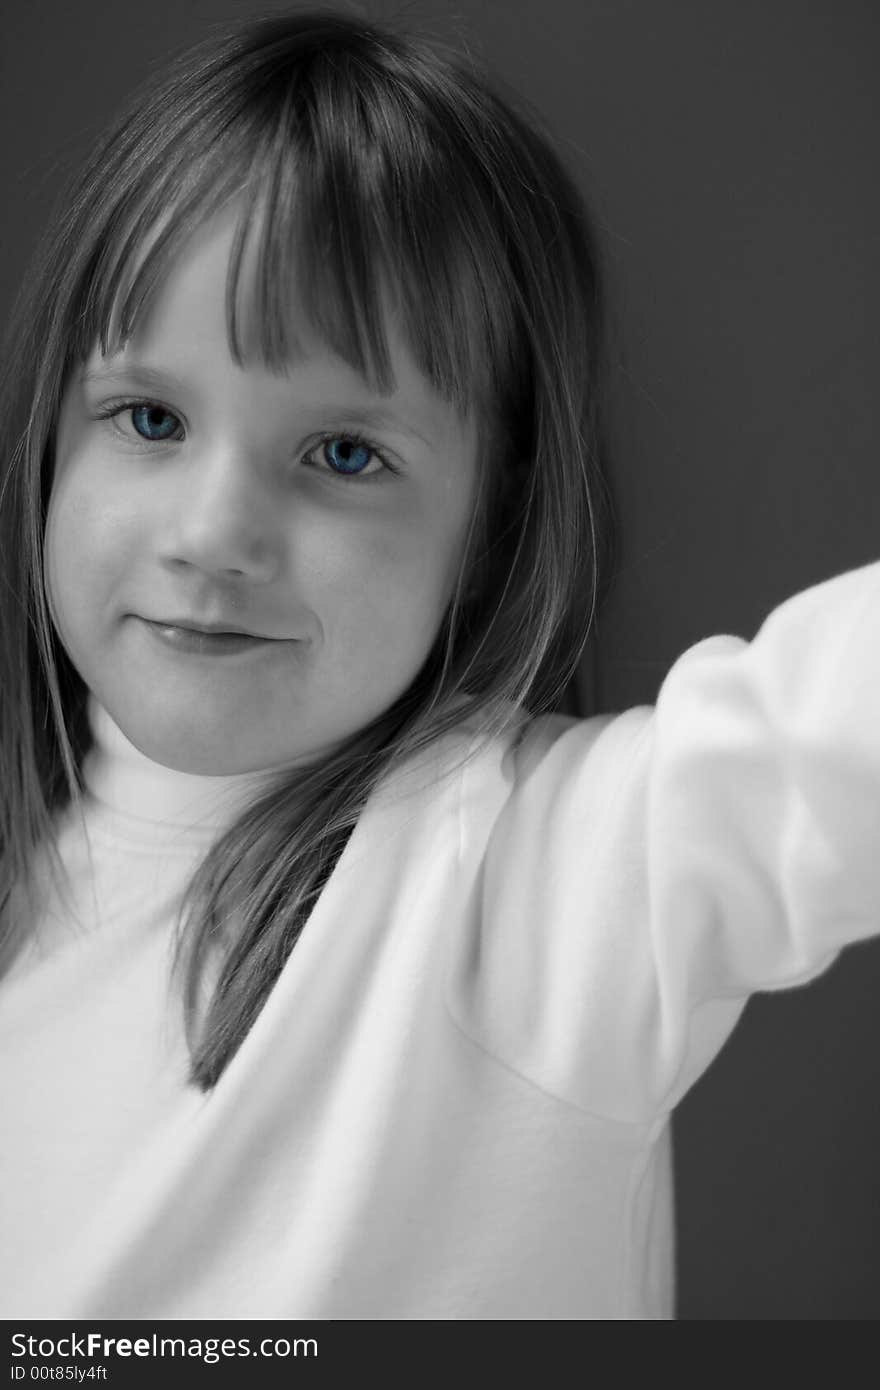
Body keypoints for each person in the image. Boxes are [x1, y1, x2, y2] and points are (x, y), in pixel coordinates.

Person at [0, 8, 876, 1321]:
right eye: (149, 417)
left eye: (344, 453)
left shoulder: (529, 874)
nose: (213, 533)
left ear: (488, 528)